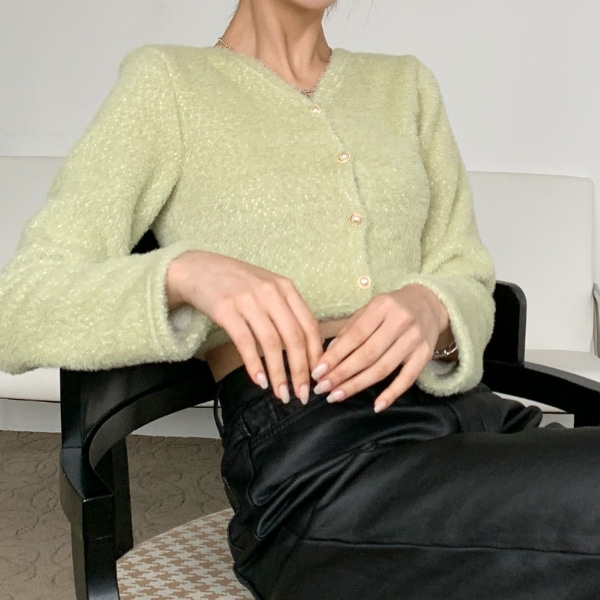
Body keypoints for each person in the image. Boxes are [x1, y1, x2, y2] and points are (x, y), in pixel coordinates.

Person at [1, 1, 599, 598]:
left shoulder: (405, 86)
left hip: (476, 421)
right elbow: (21, 305)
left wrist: (434, 307)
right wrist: (183, 273)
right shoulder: (167, 84)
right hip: (320, 461)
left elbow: (464, 270)